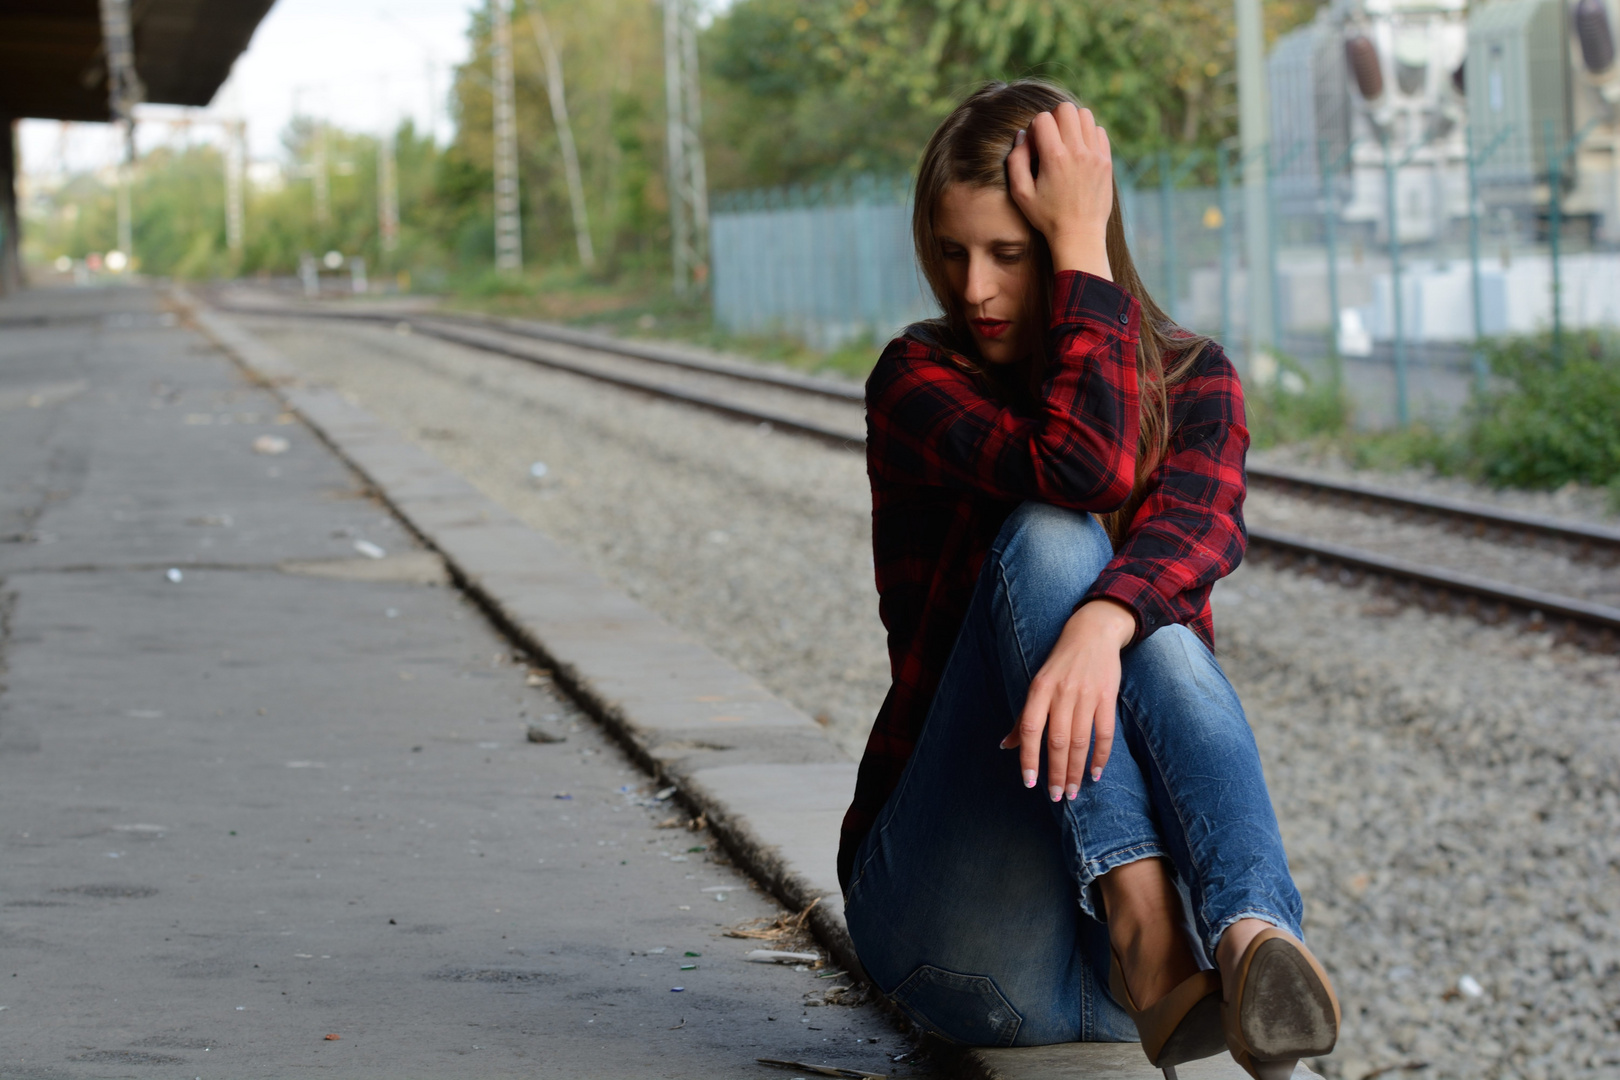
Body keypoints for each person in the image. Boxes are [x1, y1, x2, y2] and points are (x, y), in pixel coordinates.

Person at [839, 80, 1341, 1080]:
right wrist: (1077, 252)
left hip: (1146, 1004)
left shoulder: (1199, 385)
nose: (974, 287)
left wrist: (1103, 625)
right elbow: (1086, 467)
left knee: (1152, 624)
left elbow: (1189, 536)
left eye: (1009, 254)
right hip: (957, 939)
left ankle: (1246, 932)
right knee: (1057, 538)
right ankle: (1148, 912)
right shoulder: (917, 380)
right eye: (952, 252)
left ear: (1085, 238)